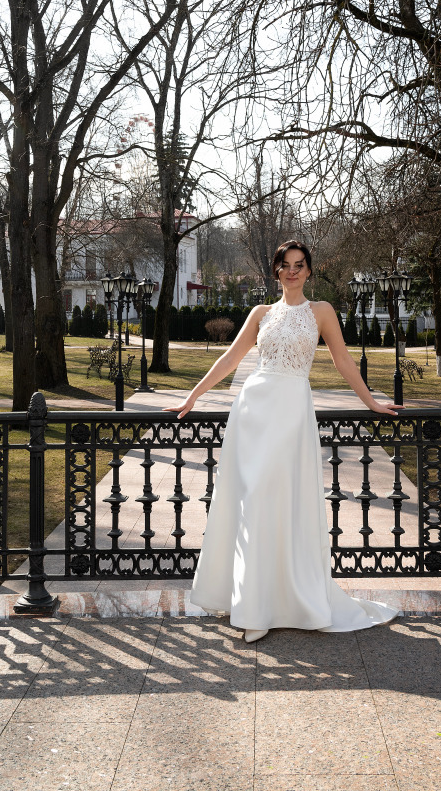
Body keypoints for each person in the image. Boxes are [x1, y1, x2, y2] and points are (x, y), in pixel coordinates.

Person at [166, 239, 400, 642]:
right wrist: (193, 396)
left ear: (309, 271)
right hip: (252, 412)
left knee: (274, 501)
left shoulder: (322, 311)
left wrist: (372, 401)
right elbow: (231, 359)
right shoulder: (260, 313)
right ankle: (252, 607)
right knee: (249, 502)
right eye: (285, 265)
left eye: (300, 264)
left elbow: (343, 360)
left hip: (291, 412)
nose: (292, 271)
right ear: (276, 271)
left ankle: (277, 602)